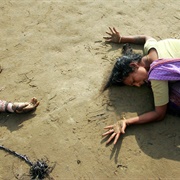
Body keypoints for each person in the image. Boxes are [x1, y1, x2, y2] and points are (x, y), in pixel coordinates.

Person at [102, 27, 180, 145]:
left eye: (134, 80)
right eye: (133, 85)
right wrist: (121, 39)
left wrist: (127, 122)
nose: (138, 85)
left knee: (172, 101)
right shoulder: (153, 47)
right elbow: (146, 38)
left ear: (134, 65)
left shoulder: (157, 74)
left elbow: (159, 114)